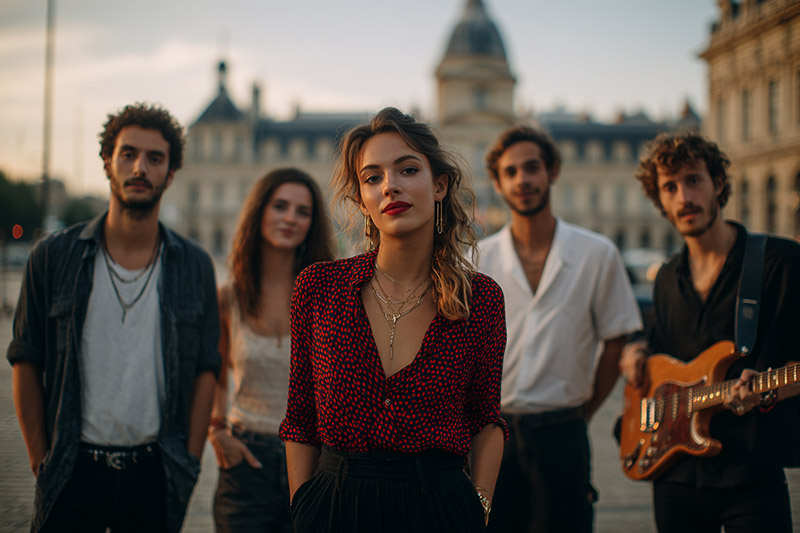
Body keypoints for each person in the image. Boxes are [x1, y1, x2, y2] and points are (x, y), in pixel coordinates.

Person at [279, 107, 507, 532]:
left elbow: (486, 417)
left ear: (439, 185)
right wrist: (303, 508)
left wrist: (479, 507)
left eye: (407, 169)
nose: (390, 186)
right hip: (334, 509)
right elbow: (301, 417)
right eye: (372, 177)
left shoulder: (482, 300)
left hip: (440, 511)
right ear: (362, 200)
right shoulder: (317, 289)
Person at [6, 103, 221, 533]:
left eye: (155, 158)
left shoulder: (194, 265)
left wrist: (191, 461)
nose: (140, 167)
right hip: (71, 467)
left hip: (155, 473)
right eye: (128, 154)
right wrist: (41, 460)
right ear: (108, 162)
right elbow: (26, 360)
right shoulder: (53, 256)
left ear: (171, 174)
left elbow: (205, 369)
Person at [620, 132, 800, 533]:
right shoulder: (666, 277)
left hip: (750, 473)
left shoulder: (779, 262)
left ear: (718, 184)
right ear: (660, 201)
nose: (684, 196)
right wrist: (636, 350)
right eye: (670, 187)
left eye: (693, 180)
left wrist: (772, 388)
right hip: (673, 474)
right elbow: (664, 350)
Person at [477, 126, 642, 532]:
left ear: (552, 170)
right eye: (510, 172)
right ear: (497, 183)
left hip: (564, 430)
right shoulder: (476, 260)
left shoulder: (597, 252)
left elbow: (618, 337)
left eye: (532, 167)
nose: (523, 180)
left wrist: (583, 411)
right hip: (492, 434)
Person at [208, 168, 334, 532]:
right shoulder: (228, 298)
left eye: (303, 211)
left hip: (316, 462)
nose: (290, 218)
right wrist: (217, 431)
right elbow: (214, 376)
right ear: (259, 211)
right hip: (247, 460)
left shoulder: (328, 299)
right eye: (280, 206)